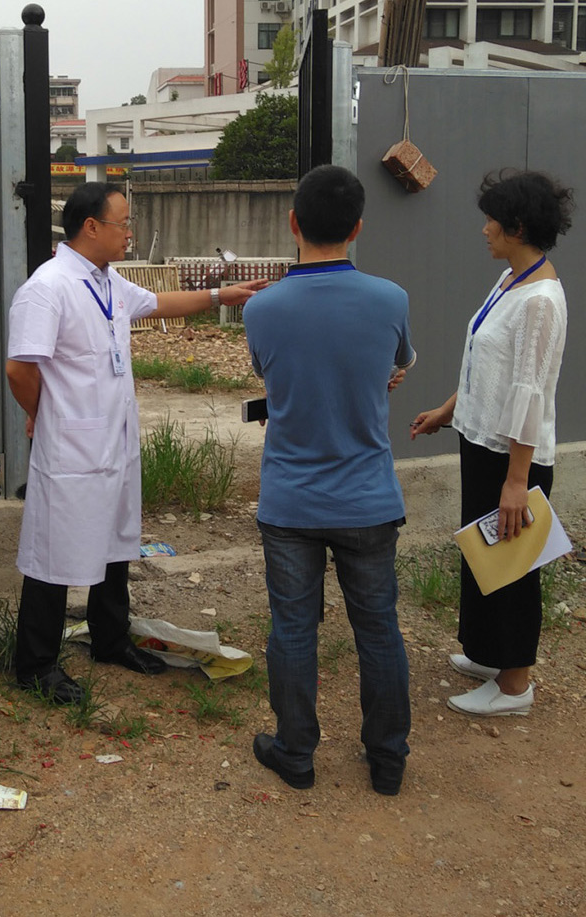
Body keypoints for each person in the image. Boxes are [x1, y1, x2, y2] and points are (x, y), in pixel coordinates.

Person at [6, 182, 267, 705]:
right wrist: (42, 415)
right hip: (72, 447)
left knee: (114, 542)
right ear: (91, 227)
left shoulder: (107, 281)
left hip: (114, 442)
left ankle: (110, 638)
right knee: (55, 550)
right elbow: (19, 368)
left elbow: (158, 302)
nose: (131, 232)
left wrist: (223, 295)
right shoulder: (48, 287)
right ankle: (35, 664)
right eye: (124, 223)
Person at [243, 165, 416, 796]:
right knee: (379, 629)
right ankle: (388, 759)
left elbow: (270, 375)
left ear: (294, 223)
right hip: (369, 498)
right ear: (358, 227)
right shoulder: (391, 299)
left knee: (293, 629)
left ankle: (295, 753)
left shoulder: (261, 308)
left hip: (291, 501)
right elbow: (398, 362)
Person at [411, 170, 573, 717]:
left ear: (517, 227)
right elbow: (489, 365)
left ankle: (515, 685)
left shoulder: (540, 301)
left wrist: (516, 482)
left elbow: (530, 392)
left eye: (491, 221)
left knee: (514, 568)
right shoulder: (510, 280)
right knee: (486, 558)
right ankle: (489, 657)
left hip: (513, 457)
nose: (484, 230)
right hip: (483, 443)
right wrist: (447, 411)